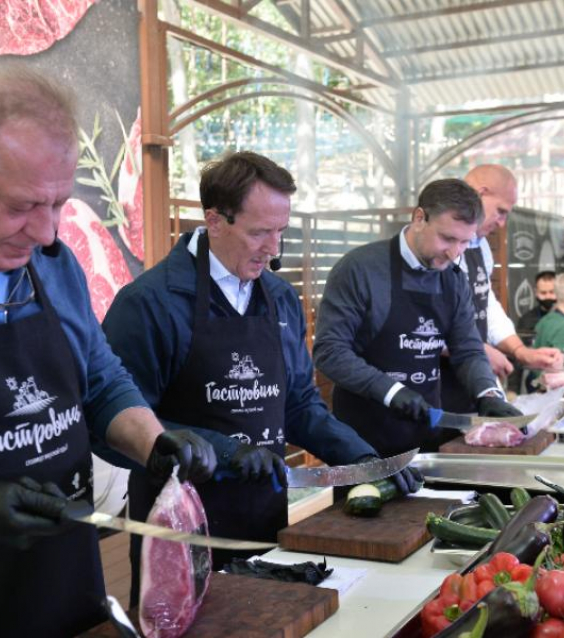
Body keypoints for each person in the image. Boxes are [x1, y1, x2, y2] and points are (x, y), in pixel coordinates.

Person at [0, 65, 216, 638]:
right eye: (22, 205)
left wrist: (154, 440)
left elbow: (98, 379)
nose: (47, 232)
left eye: (59, 205)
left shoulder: (52, 264)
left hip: (67, 605)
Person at [101, 151, 420, 594]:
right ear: (214, 220)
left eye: (281, 232)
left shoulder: (280, 298)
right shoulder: (149, 304)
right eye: (259, 233)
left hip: (266, 520)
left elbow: (299, 404)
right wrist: (224, 451)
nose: (274, 250)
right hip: (178, 528)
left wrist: (361, 459)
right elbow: (113, 426)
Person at [312, 178, 521, 457]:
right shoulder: (360, 269)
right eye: (447, 238)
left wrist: (487, 394)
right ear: (419, 218)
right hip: (363, 442)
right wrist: (390, 391)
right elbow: (329, 352)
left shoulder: (454, 279)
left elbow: (468, 348)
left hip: (428, 438)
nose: (454, 252)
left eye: (464, 242)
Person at [440, 165, 564, 411]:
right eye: (500, 211)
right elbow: (424, 320)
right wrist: (475, 350)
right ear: (481, 193)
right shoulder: (436, 249)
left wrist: (521, 351)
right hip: (434, 383)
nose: (502, 222)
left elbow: (485, 304)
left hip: (469, 379)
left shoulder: (482, 247)